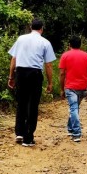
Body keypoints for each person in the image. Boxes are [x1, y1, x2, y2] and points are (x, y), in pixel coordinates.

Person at [8, 18, 56, 147]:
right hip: (35, 74)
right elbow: (49, 65)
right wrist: (50, 82)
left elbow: (14, 59)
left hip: (21, 72)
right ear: (42, 28)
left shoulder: (21, 39)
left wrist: (11, 77)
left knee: (21, 102)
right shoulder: (45, 42)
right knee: (33, 105)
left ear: (31, 27)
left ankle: (19, 132)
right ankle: (28, 137)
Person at [59, 35, 87, 142]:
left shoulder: (65, 56)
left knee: (74, 108)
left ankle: (77, 133)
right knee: (75, 108)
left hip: (70, 87)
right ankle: (70, 128)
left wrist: (61, 88)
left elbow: (62, 74)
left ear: (69, 45)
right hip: (82, 87)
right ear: (80, 44)